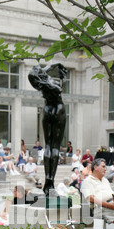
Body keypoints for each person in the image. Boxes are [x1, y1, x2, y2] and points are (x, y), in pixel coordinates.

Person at [28, 63, 67, 195]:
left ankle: (48, 181)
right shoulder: (50, 84)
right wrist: (53, 67)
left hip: (47, 109)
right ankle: (50, 181)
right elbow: (58, 90)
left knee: (49, 146)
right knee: (54, 147)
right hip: (58, 109)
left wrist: (52, 67)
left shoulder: (40, 83)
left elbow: (35, 72)